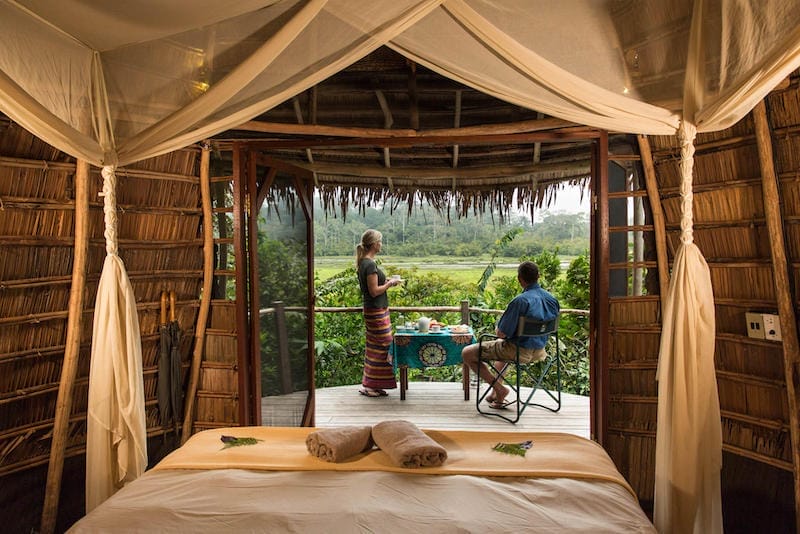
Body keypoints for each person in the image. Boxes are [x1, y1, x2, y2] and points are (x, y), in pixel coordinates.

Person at [461, 260, 560, 409]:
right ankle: (496, 393)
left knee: (467, 353)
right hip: (540, 351)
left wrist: (498, 328)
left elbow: (501, 333)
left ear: (519, 279)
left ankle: (501, 390)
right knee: (502, 356)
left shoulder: (520, 301)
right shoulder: (552, 299)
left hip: (518, 351)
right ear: (538, 276)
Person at [356, 229, 402, 397]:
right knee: (383, 346)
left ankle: (373, 384)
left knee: (377, 346)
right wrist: (390, 284)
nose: (381, 244)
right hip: (375, 311)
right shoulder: (369, 264)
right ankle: (369, 385)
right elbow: (374, 291)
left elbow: (374, 286)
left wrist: (388, 281)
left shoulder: (366, 263)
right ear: (375, 244)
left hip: (377, 310)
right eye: (380, 241)